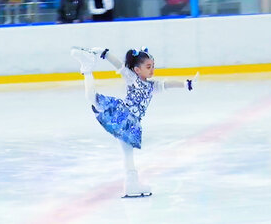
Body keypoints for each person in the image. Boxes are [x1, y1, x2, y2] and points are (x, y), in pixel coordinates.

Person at [70, 46, 199, 197]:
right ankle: (87, 68)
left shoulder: (152, 86)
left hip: (132, 123)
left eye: (153, 67)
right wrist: (105, 53)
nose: (152, 70)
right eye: (148, 67)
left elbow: (167, 83)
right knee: (92, 98)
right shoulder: (132, 77)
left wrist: (186, 84)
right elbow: (118, 65)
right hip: (123, 114)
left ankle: (132, 184)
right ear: (137, 69)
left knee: (127, 153)